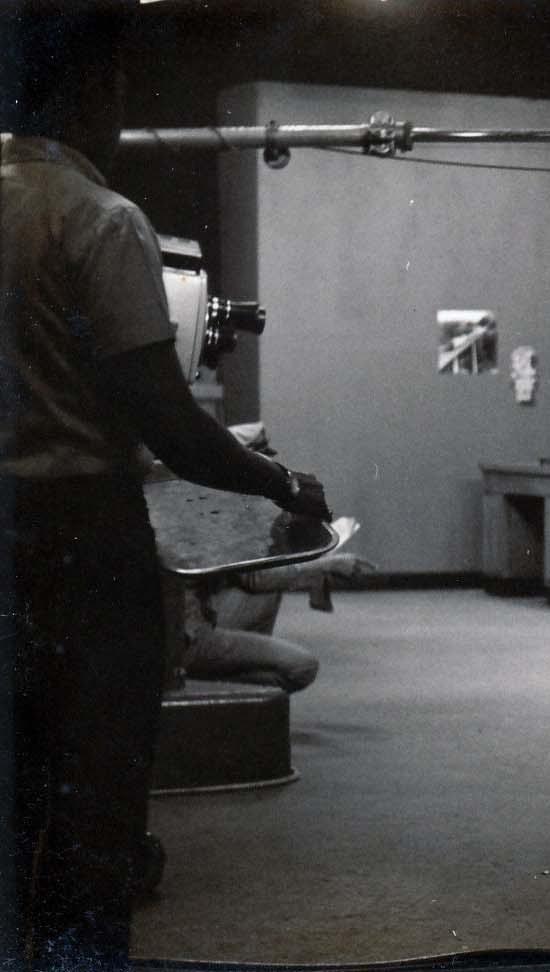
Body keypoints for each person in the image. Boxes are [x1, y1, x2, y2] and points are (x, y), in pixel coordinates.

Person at [1, 6, 330, 968]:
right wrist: (281, 482)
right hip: (78, 544)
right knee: (94, 800)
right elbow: (169, 423)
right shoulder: (98, 219)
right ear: (90, 93)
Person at [183, 541, 375, 694]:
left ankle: (208, 684)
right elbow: (258, 577)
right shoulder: (204, 518)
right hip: (187, 639)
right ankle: (205, 692)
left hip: (180, 627)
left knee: (265, 591)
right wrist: (327, 565)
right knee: (302, 667)